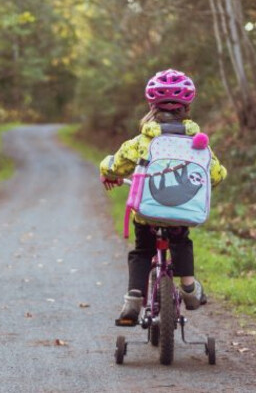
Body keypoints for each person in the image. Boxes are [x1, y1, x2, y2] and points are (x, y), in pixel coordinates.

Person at [99, 69, 227, 323]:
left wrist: (107, 170)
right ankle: (189, 288)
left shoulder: (142, 141)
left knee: (142, 251)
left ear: (151, 105)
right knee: (181, 242)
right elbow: (216, 174)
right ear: (187, 107)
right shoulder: (197, 143)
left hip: (147, 214)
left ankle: (133, 300)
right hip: (181, 215)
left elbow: (117, 164)